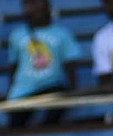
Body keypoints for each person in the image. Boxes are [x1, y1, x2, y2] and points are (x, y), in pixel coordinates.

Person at [5, 0, 80, 129]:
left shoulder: (62, 34)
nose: (31, 8)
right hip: (22, 92)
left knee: (59, 98)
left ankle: (43, 133)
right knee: (15, 126)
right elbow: (13, 67)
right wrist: (10, 93)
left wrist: (73, 92)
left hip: (50, 89)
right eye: (27, 4)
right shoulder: (16, 35)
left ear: (47, 6)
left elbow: (71, 66)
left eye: (35, 3)